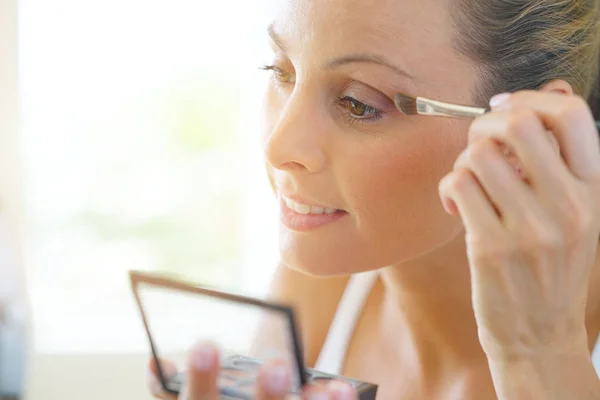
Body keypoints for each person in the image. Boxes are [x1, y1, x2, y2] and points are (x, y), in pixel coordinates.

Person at [148, 0, 600, 398]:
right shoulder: (324, 277)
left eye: (358, 103)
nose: (278, 147)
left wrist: (541, 354)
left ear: (532, 132)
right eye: (281, 71)